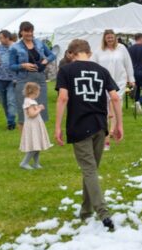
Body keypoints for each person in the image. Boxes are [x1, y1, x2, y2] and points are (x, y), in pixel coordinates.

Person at [54, 39, 122, 231]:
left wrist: (57, 126)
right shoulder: (102, 71)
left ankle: (102, 212)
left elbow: (63, 97)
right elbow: (115, 97)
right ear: (89, 53)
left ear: (70, 54)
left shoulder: (66, 71)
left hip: (79, 124)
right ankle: (86, 211)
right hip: (100, 125)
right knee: (90, 169)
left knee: (89, 170)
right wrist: (119, 124)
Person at [8, 21, 56, 128]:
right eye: (26, 31)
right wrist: (23, 65)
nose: (29, 33)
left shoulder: (39, 43)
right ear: (21, 32)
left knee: (41, 109)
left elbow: (53, 55)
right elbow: (11, 66)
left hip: (40, 79)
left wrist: (46, 60)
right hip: (23, 80)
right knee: (23, 111)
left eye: (31, 31)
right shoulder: (15, 47)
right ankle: (24, 143)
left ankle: (40, 140)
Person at [96, 30, 134, 150]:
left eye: (112, 37)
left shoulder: (122, 48)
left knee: (117, 104)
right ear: (104, 39)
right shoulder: (99, 51)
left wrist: (131, 78)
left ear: (115, 38)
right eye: (108, 38)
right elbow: (93, 65)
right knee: (106, 108)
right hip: (104, 83)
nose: (110, 40)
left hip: (119, 81)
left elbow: (128, 64)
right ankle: (106, 137)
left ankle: (113, 130)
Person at [19, 82, 51, 170]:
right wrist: (39, 109)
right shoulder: (29, 102)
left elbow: (33, 111)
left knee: (37, 145)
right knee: (34, 146)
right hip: (33, 126)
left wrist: (38, 106)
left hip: (35, 125)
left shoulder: (31, 101)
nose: (39, 92)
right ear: (35, 91)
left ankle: (36, 163)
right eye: (38, 91)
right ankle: (24, 162)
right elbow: (32, 114)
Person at [0, 30, 19, 131]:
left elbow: (20, 62)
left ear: (7, 37)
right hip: (0, 78)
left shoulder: (16, 47)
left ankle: (11, 123)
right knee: (3, 101)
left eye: (1, 38)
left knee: (11, 101)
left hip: (12, 79)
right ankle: (9, 119)